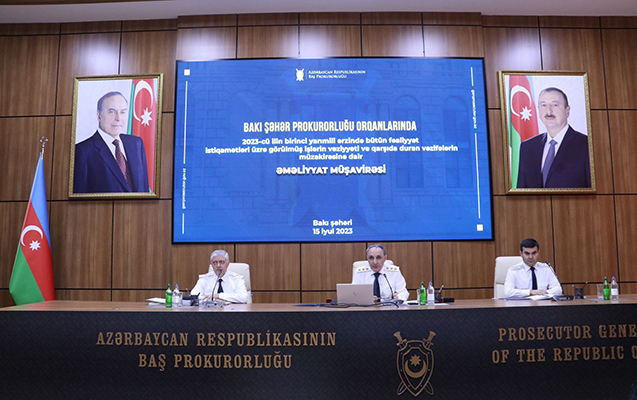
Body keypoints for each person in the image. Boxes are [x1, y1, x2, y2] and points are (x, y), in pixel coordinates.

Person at [74, 91, 150, 193]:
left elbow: (144, 189)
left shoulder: (136, 144)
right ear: (98, 115)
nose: (118, 118)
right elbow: (80, 196)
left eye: (122, 112)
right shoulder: (83, 151)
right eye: (111, 111)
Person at [517, 87, 591, 189]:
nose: (548, 111)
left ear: (567, 111)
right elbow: (522, 192)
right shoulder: (528, 147)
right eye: (543, 105)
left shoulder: (587, 145)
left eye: (555, 105)